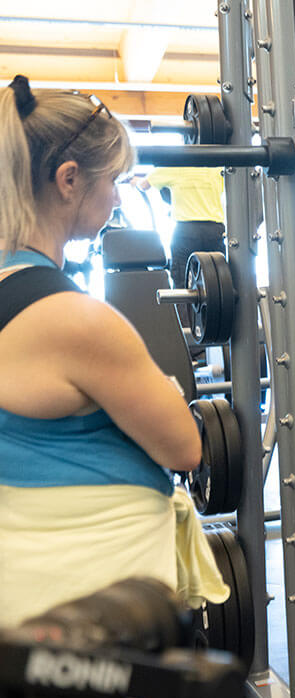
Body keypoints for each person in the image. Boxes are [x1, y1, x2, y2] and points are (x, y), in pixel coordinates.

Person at [0, 76, 202, 627]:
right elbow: (185, 446)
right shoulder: (76, 321)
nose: (117, 196)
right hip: (83, 594)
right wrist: (162, 390)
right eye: (111, 180)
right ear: (69, 181)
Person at [132, 166, 225, 326]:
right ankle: (220, 335)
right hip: (215, 231)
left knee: (183, 286)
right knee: (218, 284)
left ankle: (190, 340)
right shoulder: (215, 168)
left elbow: (144, 185)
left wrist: (135, 181)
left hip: (186, 231)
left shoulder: (175, 166)